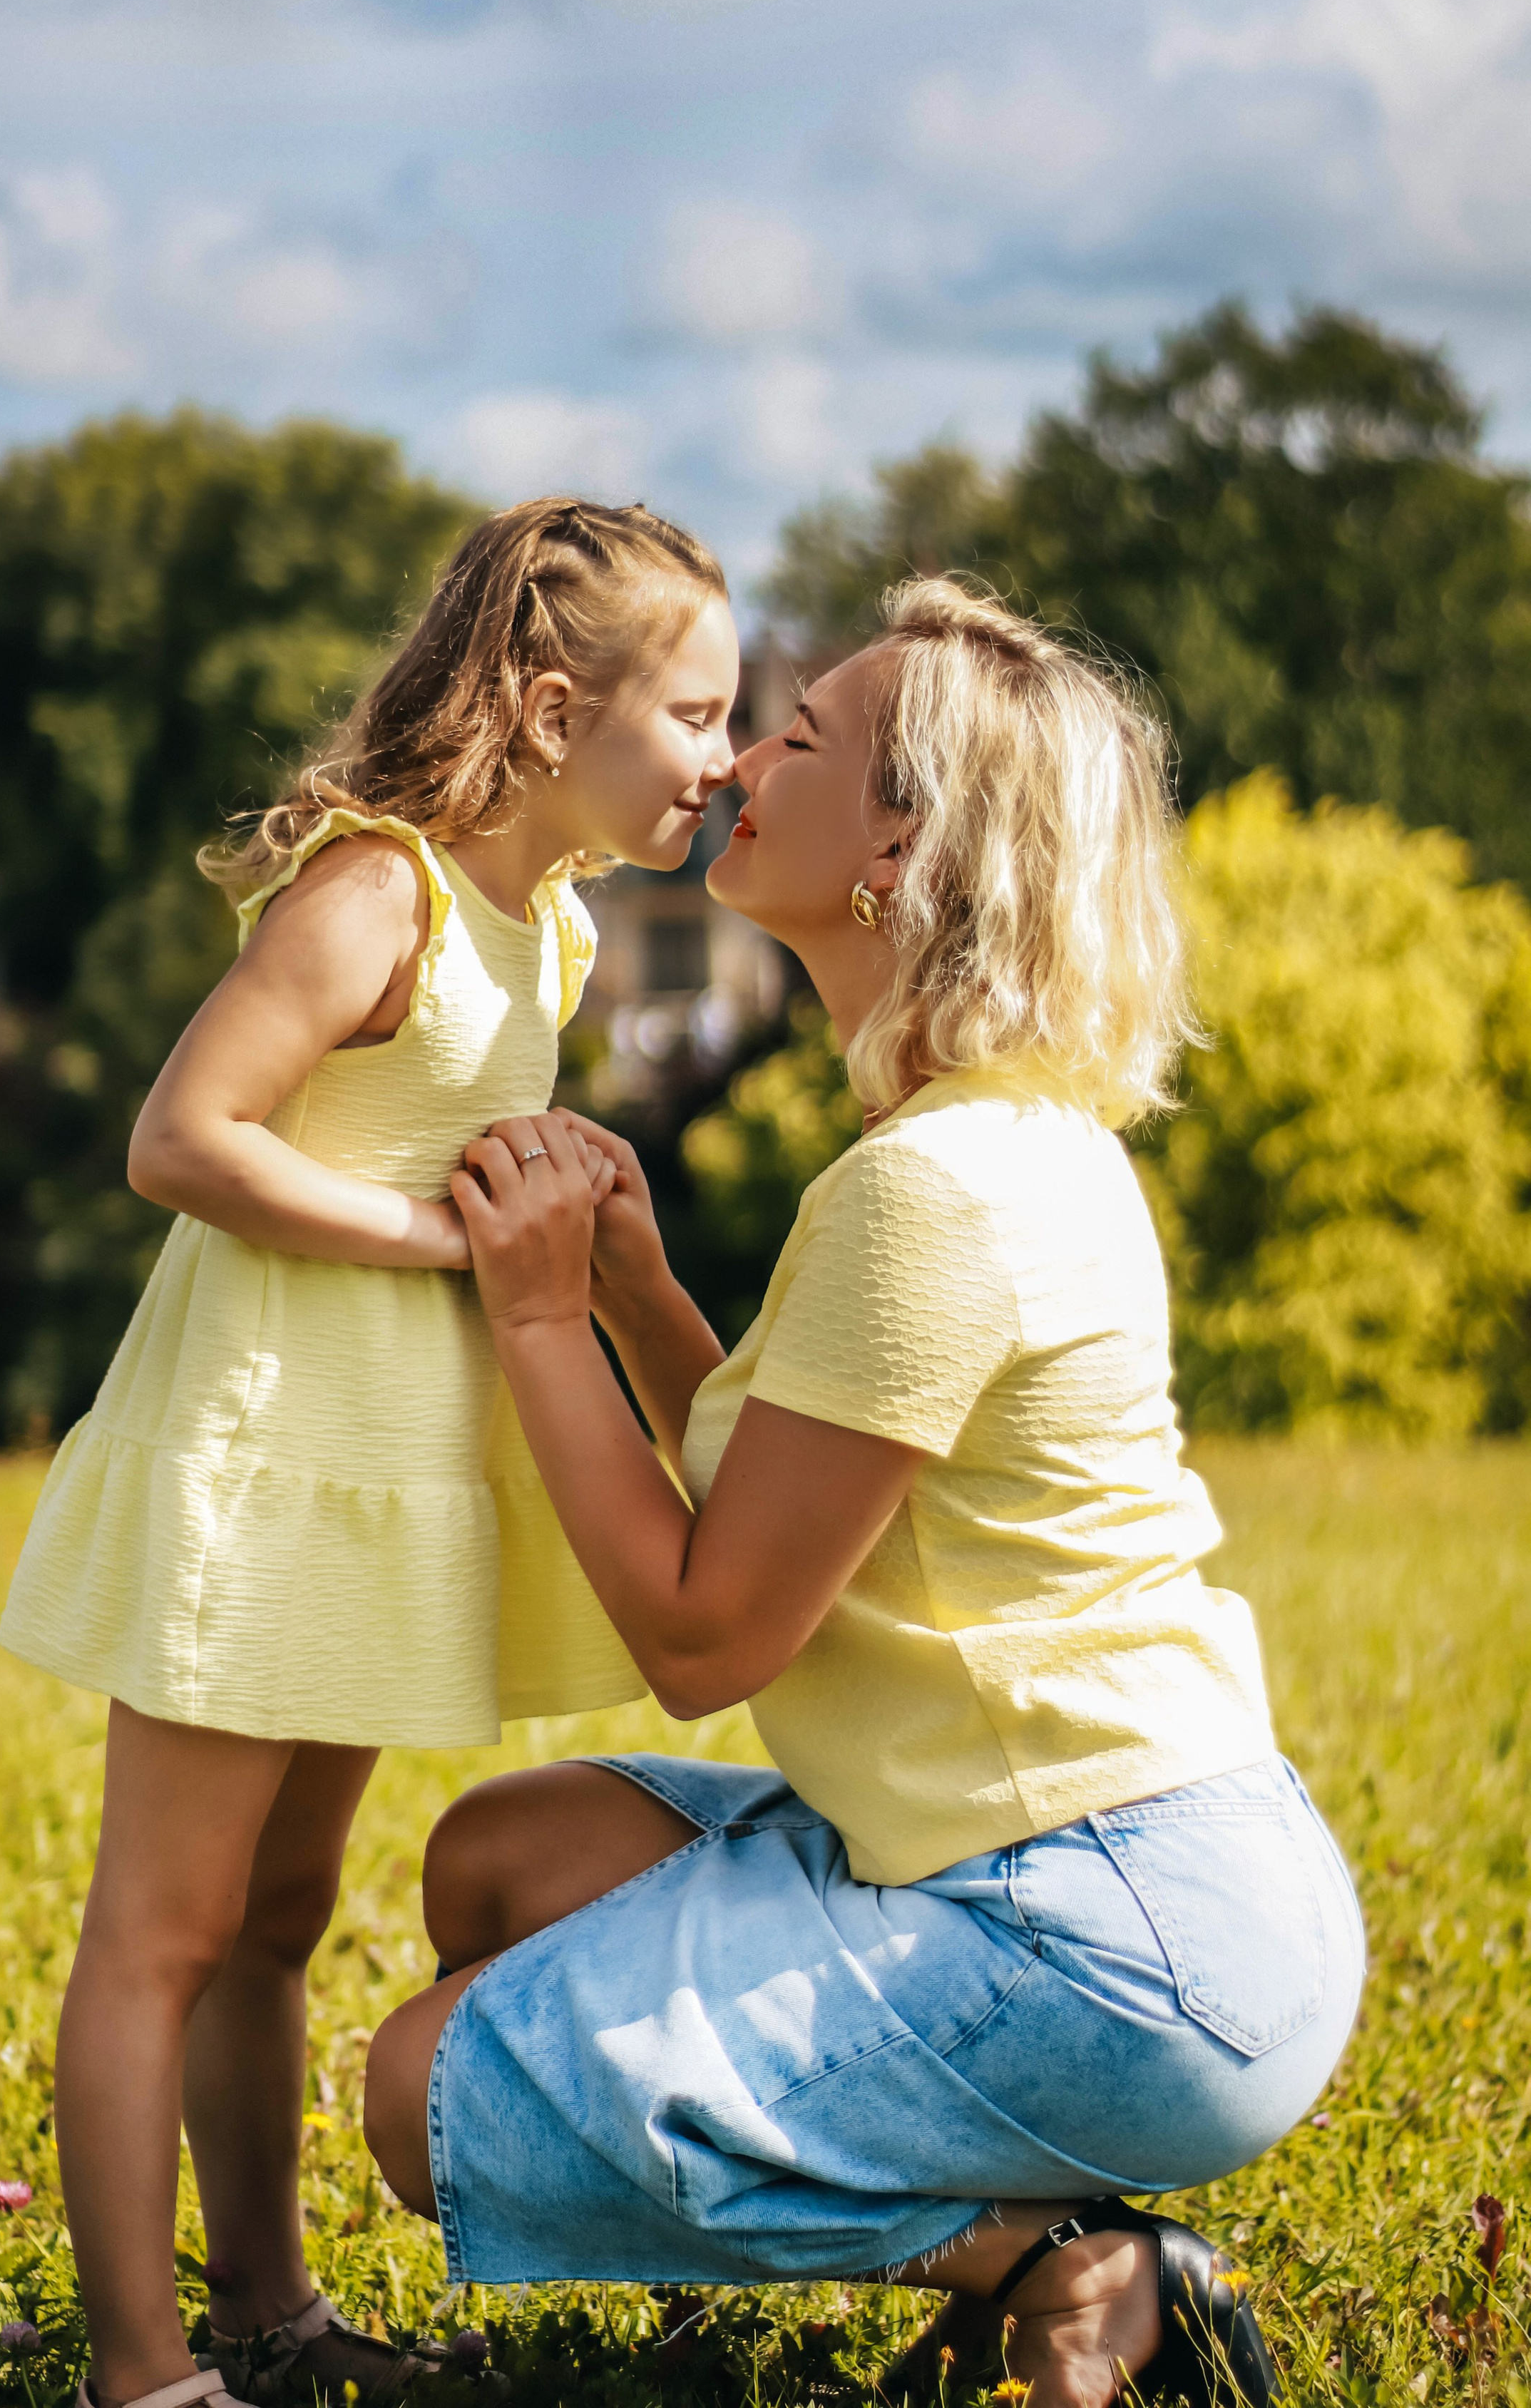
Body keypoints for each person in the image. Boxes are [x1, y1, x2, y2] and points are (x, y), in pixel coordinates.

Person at [363, 577, 1365, 2408]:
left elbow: (702, 1628)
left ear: (902, 841)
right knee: (496, 1866)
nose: (740, 755)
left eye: (799, 737)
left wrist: (529, 1322)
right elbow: (794, 1521)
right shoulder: (989, 1141)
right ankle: (1027, 2229)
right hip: (1118, 1880)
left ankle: (1060, 2265)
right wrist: (643, 1299)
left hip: (1117, 1939)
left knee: (422, 2091)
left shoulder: (937, 1194)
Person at [0, 498, 739, 2408]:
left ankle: (268, 2315)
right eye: (701, 717)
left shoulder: (549, 937)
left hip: (376, 1481)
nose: (726, 765)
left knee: (280, 1918)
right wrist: (442, 1241)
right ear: (558, 706)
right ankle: (143, 2375)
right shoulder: (379, 894)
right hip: (260, 1465)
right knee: (160, 1930)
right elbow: (182, 1139)